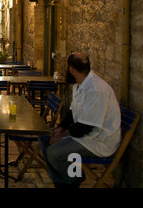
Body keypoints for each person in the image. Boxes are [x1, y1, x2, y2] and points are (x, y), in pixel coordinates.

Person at [38, 52, 121, 188]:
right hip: (84, 134)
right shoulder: (79, 85)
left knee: (53, 153)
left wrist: (60, 136)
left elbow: (85, 127)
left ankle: (73, 180)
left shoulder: (96, 90)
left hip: (98, 140)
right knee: (44, 136)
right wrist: (59, 129)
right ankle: (70, 177)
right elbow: (72, 113)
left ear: (71, 69)